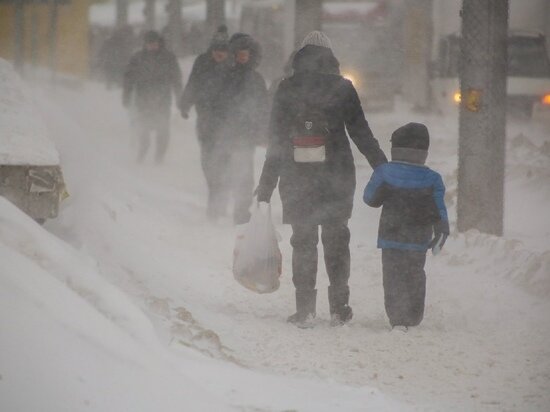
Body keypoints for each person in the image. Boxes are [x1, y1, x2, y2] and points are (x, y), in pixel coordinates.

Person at [255, 31, 387, 327]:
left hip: (296, 174)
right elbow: (361, 132)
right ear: (331, 58)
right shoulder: (343, 88)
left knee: (303, 241)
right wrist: (382, 166)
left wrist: (265, 186)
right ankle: (339, 307)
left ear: (299, 58)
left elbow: (276, 142)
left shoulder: (286, 88)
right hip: (335, 175)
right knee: (337, 238)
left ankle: (305, 309)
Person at [363, 122, 449, 331]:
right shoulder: (433, 179)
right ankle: (413, 315)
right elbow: (439, 211)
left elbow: (370, 199)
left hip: (390, 237)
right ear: (424, 151)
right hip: (417, 240)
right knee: (415, 275)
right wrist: (442, 231)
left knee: (392, 277)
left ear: (395, 148)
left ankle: (397, 319)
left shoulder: (385, 172)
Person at [179, 26, 231, 220]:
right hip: (206, 119)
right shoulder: (202, 62)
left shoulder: (234, 65)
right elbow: (193, 83)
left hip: (227, 121)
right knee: (208, 161)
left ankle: (219, 199)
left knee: (224, 162)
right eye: (217, 50)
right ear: (212, 50)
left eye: (224, 51)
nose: (220, 54)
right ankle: (214, 190)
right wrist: (185, 104)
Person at [222, 33, 268, 225]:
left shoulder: (256, 79)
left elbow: (264, 107)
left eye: (246, 53)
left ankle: (241, 209)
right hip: (228, 132)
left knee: (245, 172)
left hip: (246, 134)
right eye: (239, 53)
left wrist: (262, 130)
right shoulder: (225, 77)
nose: (243, 57)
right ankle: (222, 203)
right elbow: (217, 104)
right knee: (229, 170)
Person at [123, 31, 182, 163]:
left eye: (154, 43)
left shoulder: (168, 58)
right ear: (145, 44)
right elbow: (128, 78)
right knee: (143, 128)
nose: (152, 46)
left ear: (159, 43)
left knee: (163, 129)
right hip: (142, 99)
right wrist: (126, 95)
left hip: (163, 99)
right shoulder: (137, 58)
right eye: (149, 44)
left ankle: (159, 157)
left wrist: (179, 97)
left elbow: (176, 78)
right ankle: (143, 150)